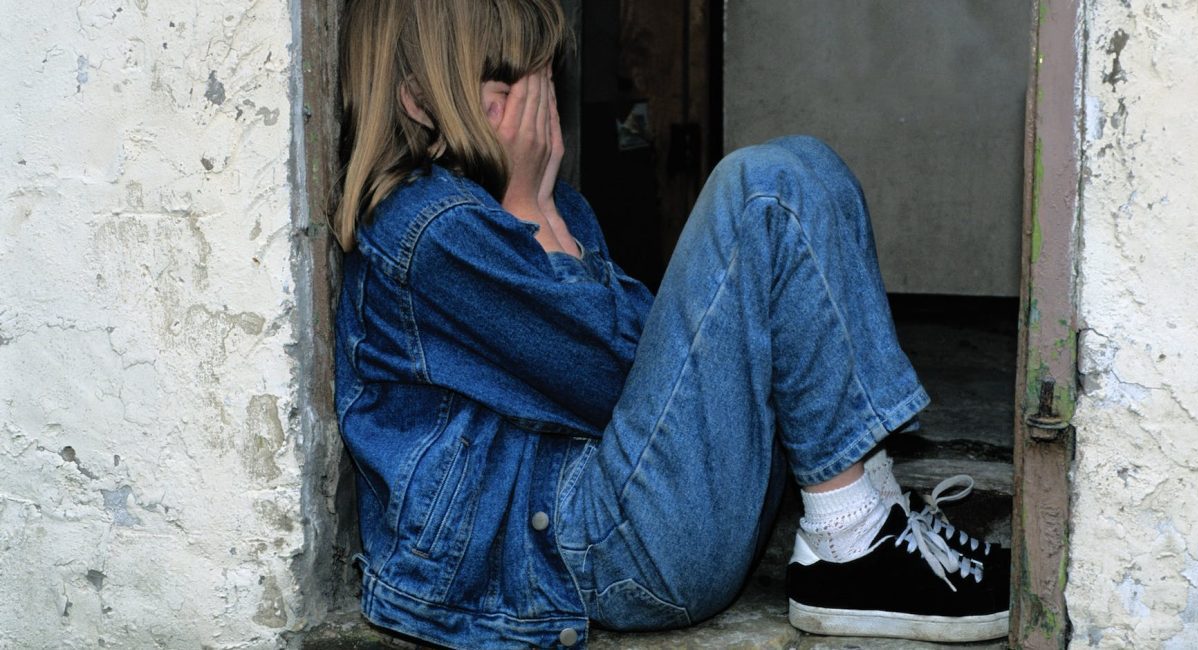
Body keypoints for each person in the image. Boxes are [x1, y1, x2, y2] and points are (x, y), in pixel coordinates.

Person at [331, 1, 1011, 648]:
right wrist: (531, 209)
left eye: (543, 78)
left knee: (807, 167)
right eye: (507, 84)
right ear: (421, 101)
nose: (537, 113)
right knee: (762, 190)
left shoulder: (524, 209)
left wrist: (541, 210)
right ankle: (851, 545)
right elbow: (618, 377)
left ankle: (865, 517)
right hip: (590, 550)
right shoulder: (433, 231)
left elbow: (649, 371)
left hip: (625, 514)